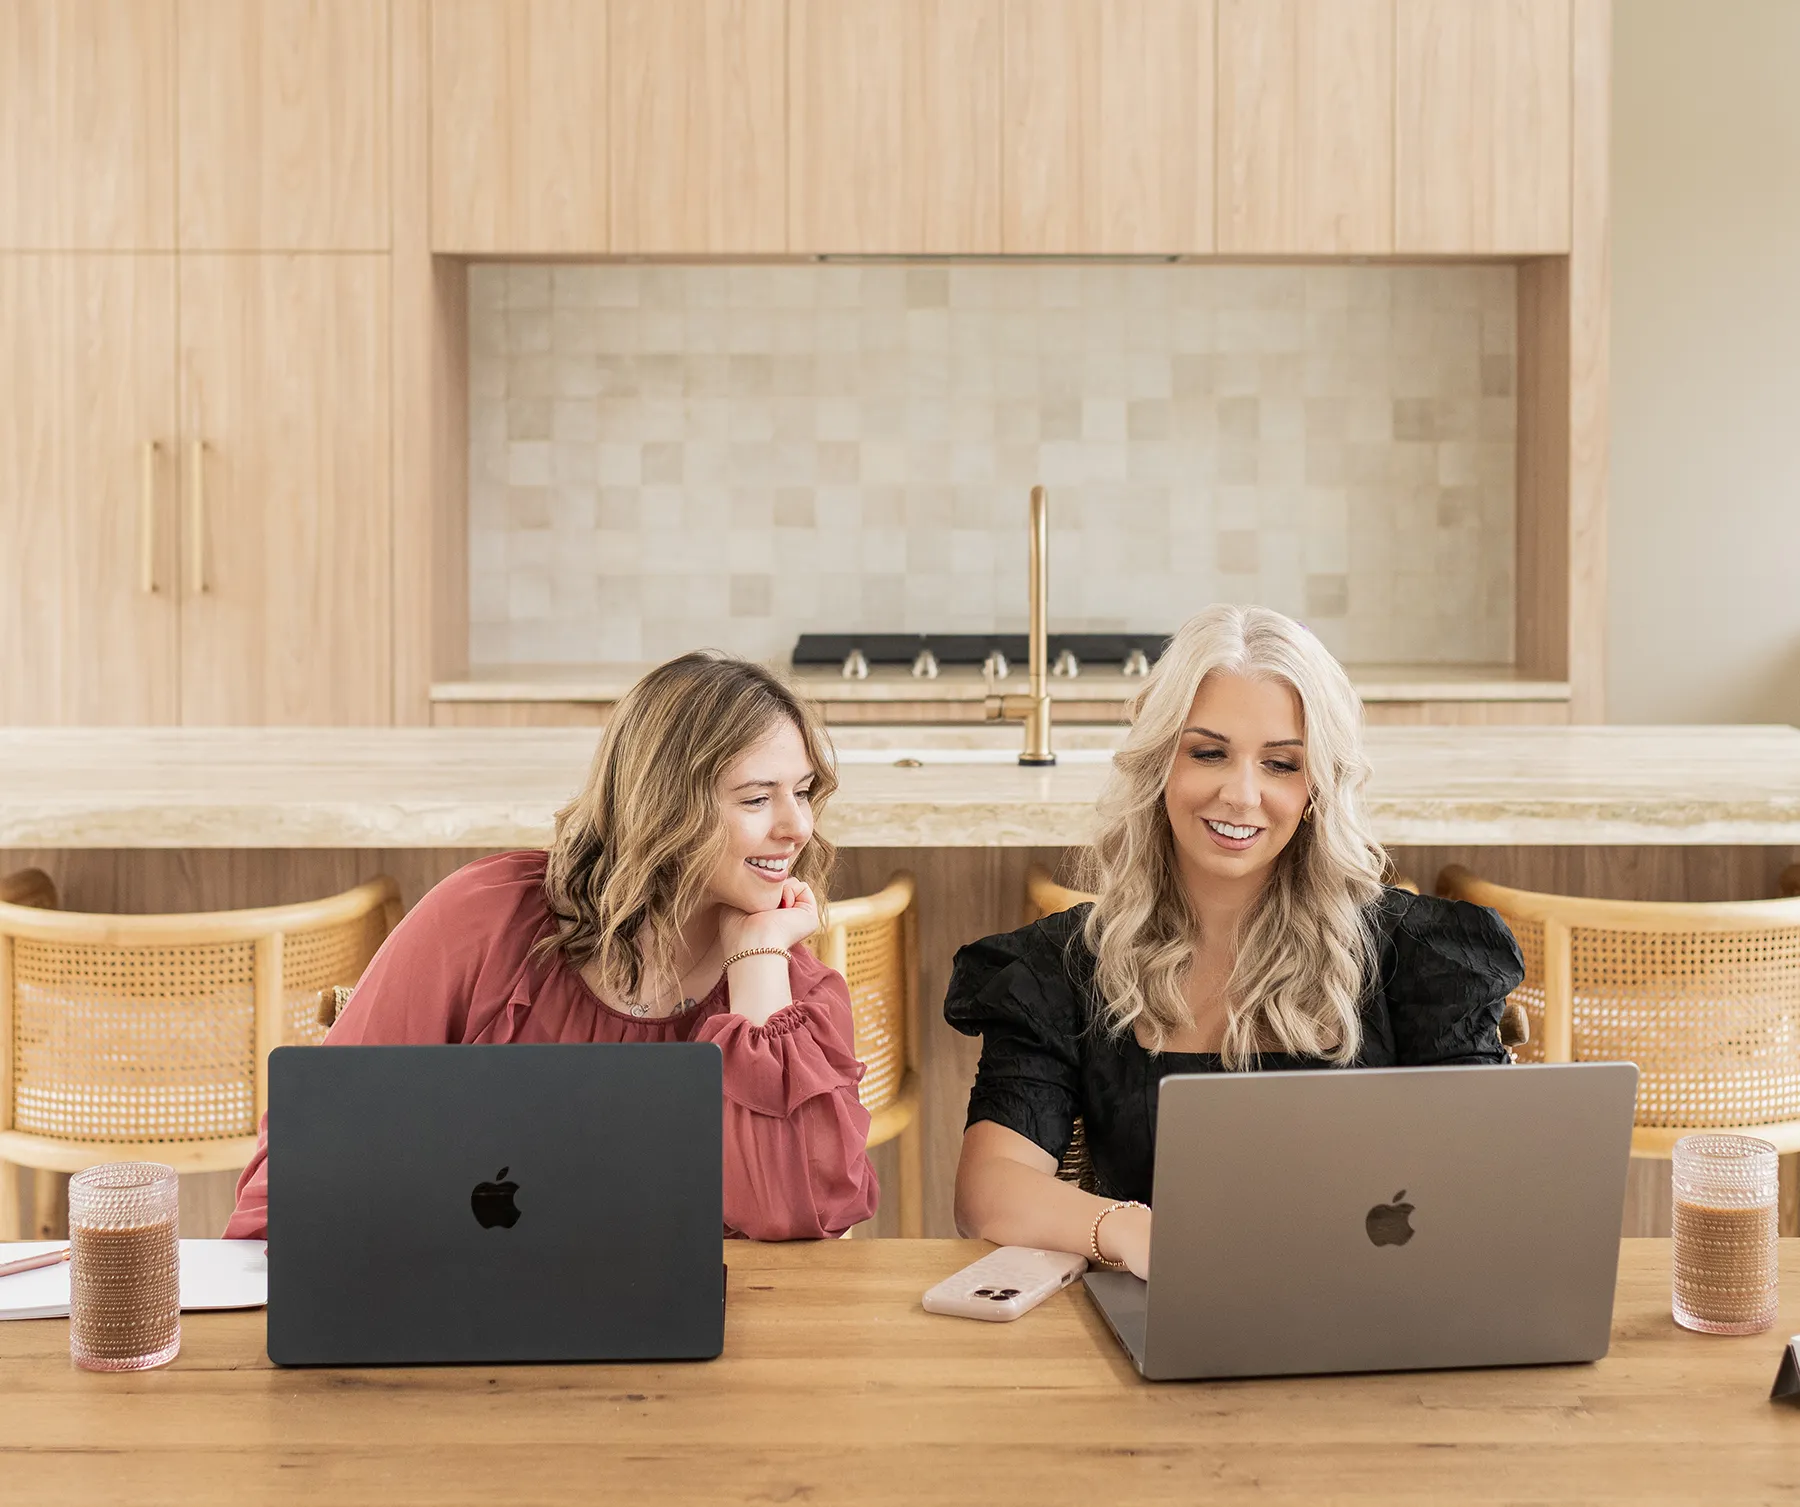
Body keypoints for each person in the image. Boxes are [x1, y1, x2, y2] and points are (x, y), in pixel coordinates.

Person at [945, 605, 1524, 1279]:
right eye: (1209, 752)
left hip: (1381, 1324)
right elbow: (987, 1190)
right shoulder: (1065, 966)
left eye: (1280, 763)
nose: (1241, 793)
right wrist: (1131, 1231)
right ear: (1161, 762)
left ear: (1315, 788)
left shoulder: (1419, 958)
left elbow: (1485, 1182)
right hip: (1163, 1318)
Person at [225, 652, 879, 1242]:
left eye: (802, 792)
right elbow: (318, 1138)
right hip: (462, 1309)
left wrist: (759, 958)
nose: (798, 826)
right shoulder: (484, 918)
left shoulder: (794, 997)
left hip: (690, 1346)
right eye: (758, 797)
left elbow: (791, 1218)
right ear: (665, 808)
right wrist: (259, 1306)